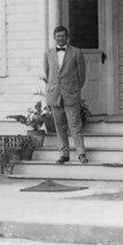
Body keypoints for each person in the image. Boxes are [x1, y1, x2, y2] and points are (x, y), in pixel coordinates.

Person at [43, 25, 88, 164]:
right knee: (59, 125)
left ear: (67, 37)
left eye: (63, 36)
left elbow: (81, 75)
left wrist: (75, 90)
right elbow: (48, 72)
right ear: (54, 37)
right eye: (58, 36)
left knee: (75, 124)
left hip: (70, 94)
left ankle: (81, 153)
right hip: (55, 94)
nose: (61, 38)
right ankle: (64, 154)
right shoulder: (48, 53)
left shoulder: (76, 52)